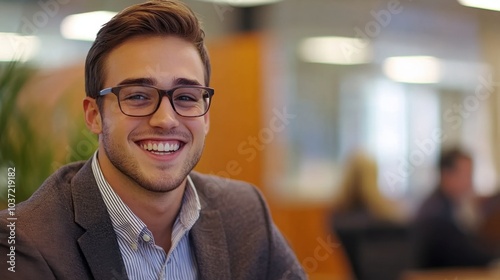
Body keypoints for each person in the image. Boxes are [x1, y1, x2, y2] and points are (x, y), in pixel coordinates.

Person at [0, 1, 305, 279]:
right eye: (137, 96)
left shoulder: (245, 214)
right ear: (94, 115)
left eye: (186, 97)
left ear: (206, 116)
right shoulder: (26, 241)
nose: (165, 120)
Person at [413, 148, 496, 268]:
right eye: (466, 175)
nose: (470, 182)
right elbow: (466, 254)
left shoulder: (450, 205)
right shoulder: (435, 212)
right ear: (446, 174)